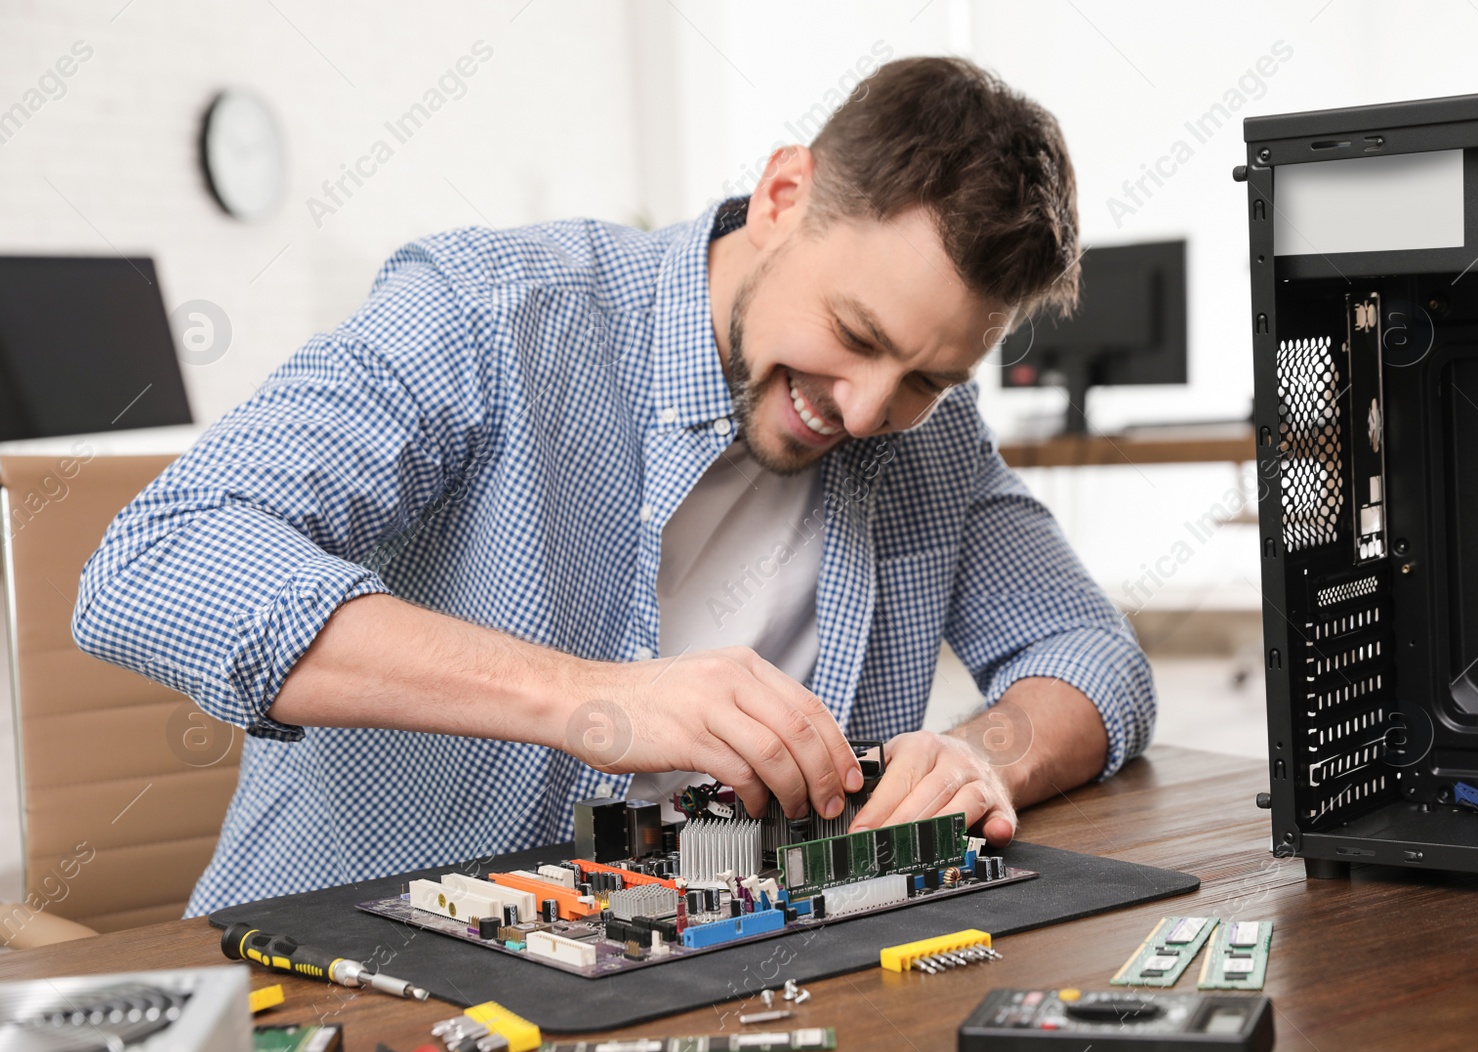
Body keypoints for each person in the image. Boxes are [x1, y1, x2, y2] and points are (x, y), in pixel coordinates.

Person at [73, 56, 1155, 915]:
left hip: (726, 974)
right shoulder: (490, 313)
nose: (867, 411)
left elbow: (1091, 658)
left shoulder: (933, 436)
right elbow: (155, 560)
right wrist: (592, 697)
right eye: (854, 333)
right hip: (365, 971)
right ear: (785, 194)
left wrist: (979, 756)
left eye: (924, 375)